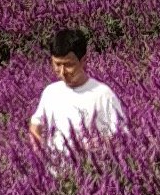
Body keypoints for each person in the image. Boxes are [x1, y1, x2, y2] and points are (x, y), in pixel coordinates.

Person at [29, 25, 128, 167]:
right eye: (57, 64)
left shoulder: (102, 94)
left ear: (83, 61)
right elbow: (35, 126)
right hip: (55, 177)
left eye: (69, 65)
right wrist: (41, 154)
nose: (62, 72)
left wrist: (97, 149)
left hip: (93, 173)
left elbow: (121, 135)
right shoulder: (50, 92)